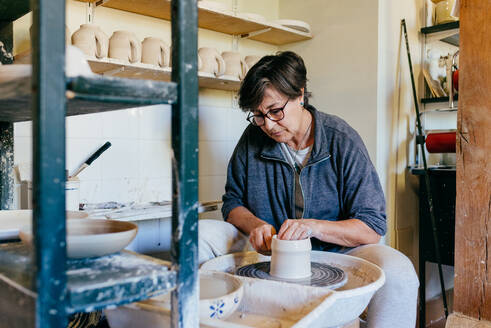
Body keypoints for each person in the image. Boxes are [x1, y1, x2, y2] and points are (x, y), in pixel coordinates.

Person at [199, 51, 419, 328]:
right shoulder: (253, 138)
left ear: (300, 94)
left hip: (335, 253)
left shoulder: (341, 139)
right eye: (257, 115)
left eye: (275, 111)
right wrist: (256, 226)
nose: (267, 124)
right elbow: (232, 203)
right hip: (268, 250)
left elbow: (372, 227)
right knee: (200, 236)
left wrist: (313, 227)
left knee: (400, 272)